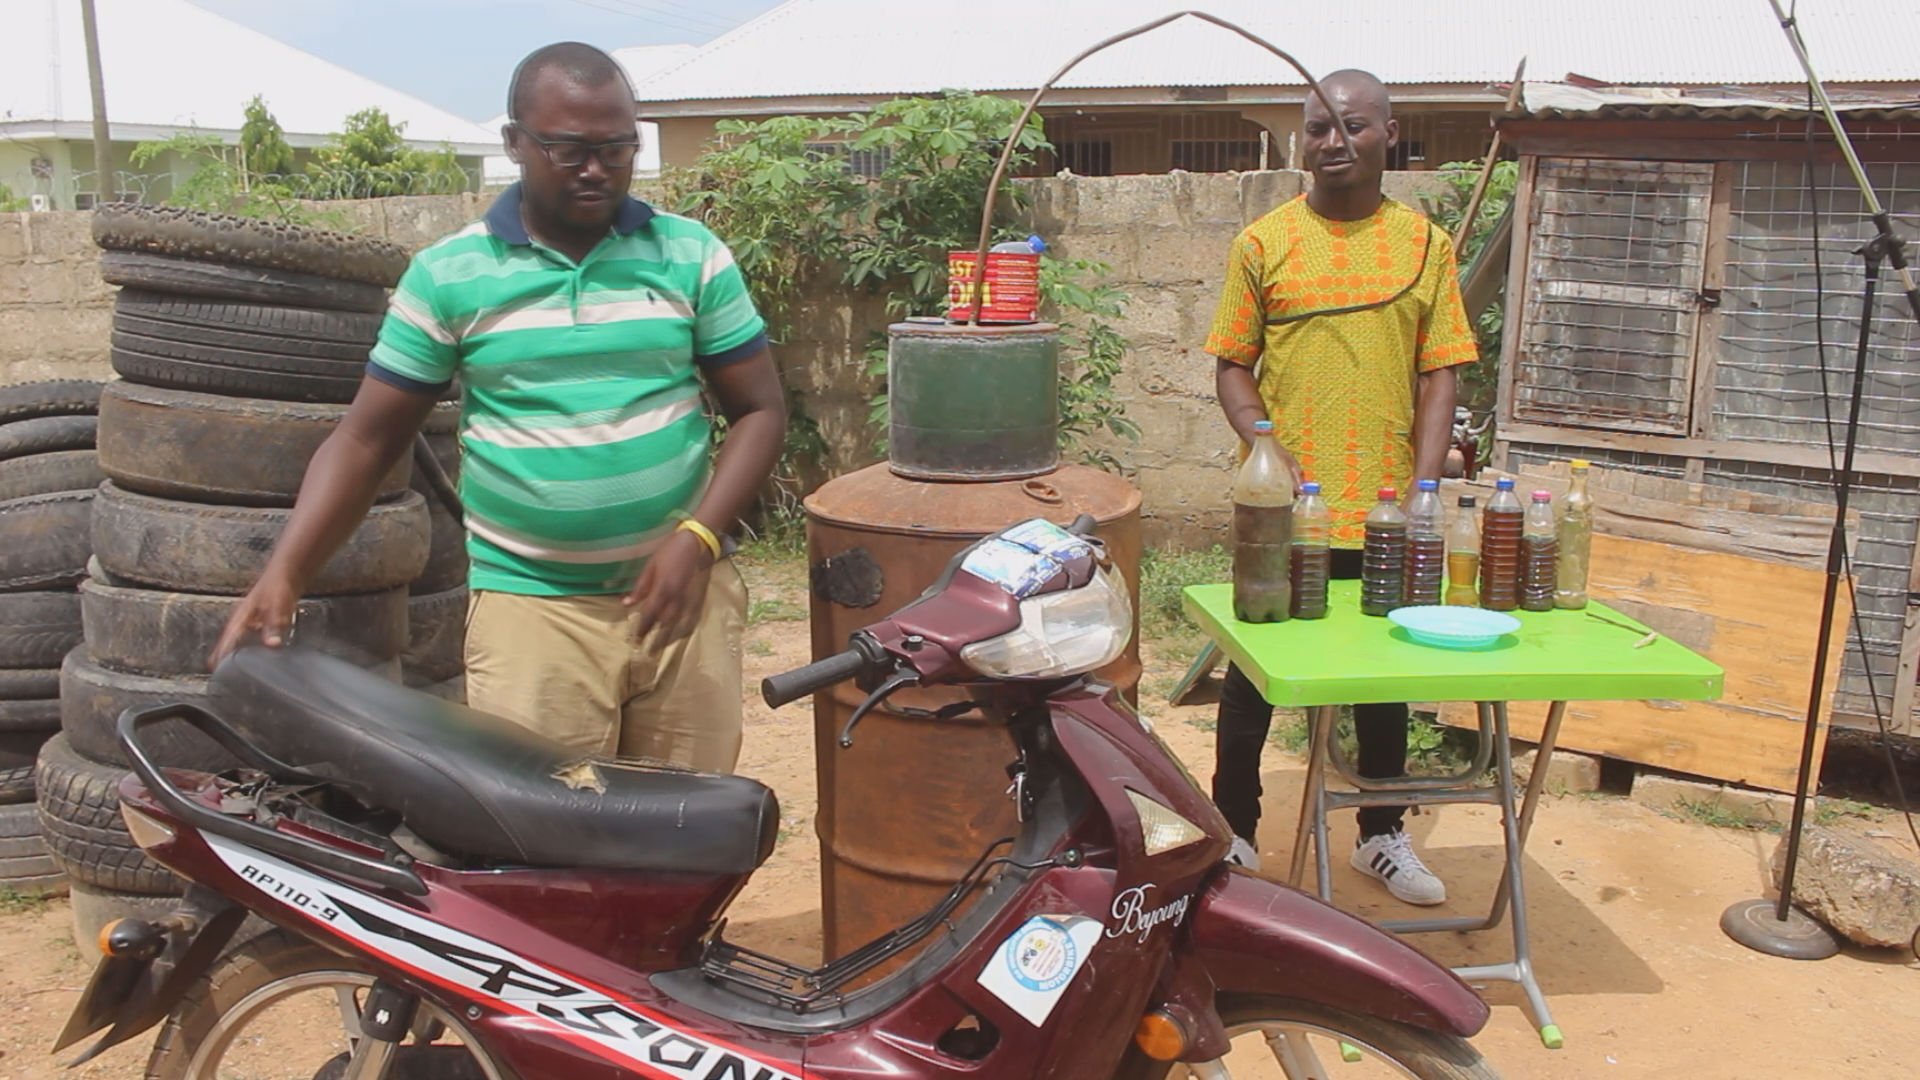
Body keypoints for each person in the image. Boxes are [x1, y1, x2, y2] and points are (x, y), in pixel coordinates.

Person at [211, 42, 785, 775]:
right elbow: (365, 441)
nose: (596, 168)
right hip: (532, 614)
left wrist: (699, 538)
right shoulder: (450, 276)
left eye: (617, 148)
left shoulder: (690, 255)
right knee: (547, 840)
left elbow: (761, 411)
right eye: (569, 148)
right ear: (515, 142)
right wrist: (286, 571)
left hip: (684, 602)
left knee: (686, 830)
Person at [1201, 70, 1478, 905]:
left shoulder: (1426, 246)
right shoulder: (1263, 243)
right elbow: (1232, 364)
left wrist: (1422, 492)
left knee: (1382, 675)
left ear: (1390, 133)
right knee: (1255, 675)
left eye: (1350, 126)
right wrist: (1264, 446)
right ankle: (1236, 834)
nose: (1331, 143)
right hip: (1285, 515)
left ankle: (1381, 835)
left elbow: (1440, 375)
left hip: (1388, 510)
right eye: (1317, 128)